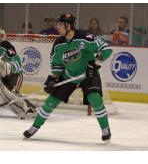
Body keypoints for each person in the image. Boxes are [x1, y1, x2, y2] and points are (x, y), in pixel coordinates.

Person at [23, 13, 112, 142]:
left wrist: (95, 65)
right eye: (57, 24)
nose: (57, 27)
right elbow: (57, 65)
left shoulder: (85, 37)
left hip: (88, 75)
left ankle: (105, 129)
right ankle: (35, 127)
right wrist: (53, 79)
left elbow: (106, 49)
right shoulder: (58, 44)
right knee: (50, 102)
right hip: (68, 76)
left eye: (60, 25)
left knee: (95, 98)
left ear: (68, 26)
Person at [0, 28, 36, 119]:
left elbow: (16, 63)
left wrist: (9, 66)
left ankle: (29, 108)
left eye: (0, 36)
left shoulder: (5, 45)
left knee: (10, 93)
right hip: (3, 76)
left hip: (13, 75)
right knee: (5, 93)